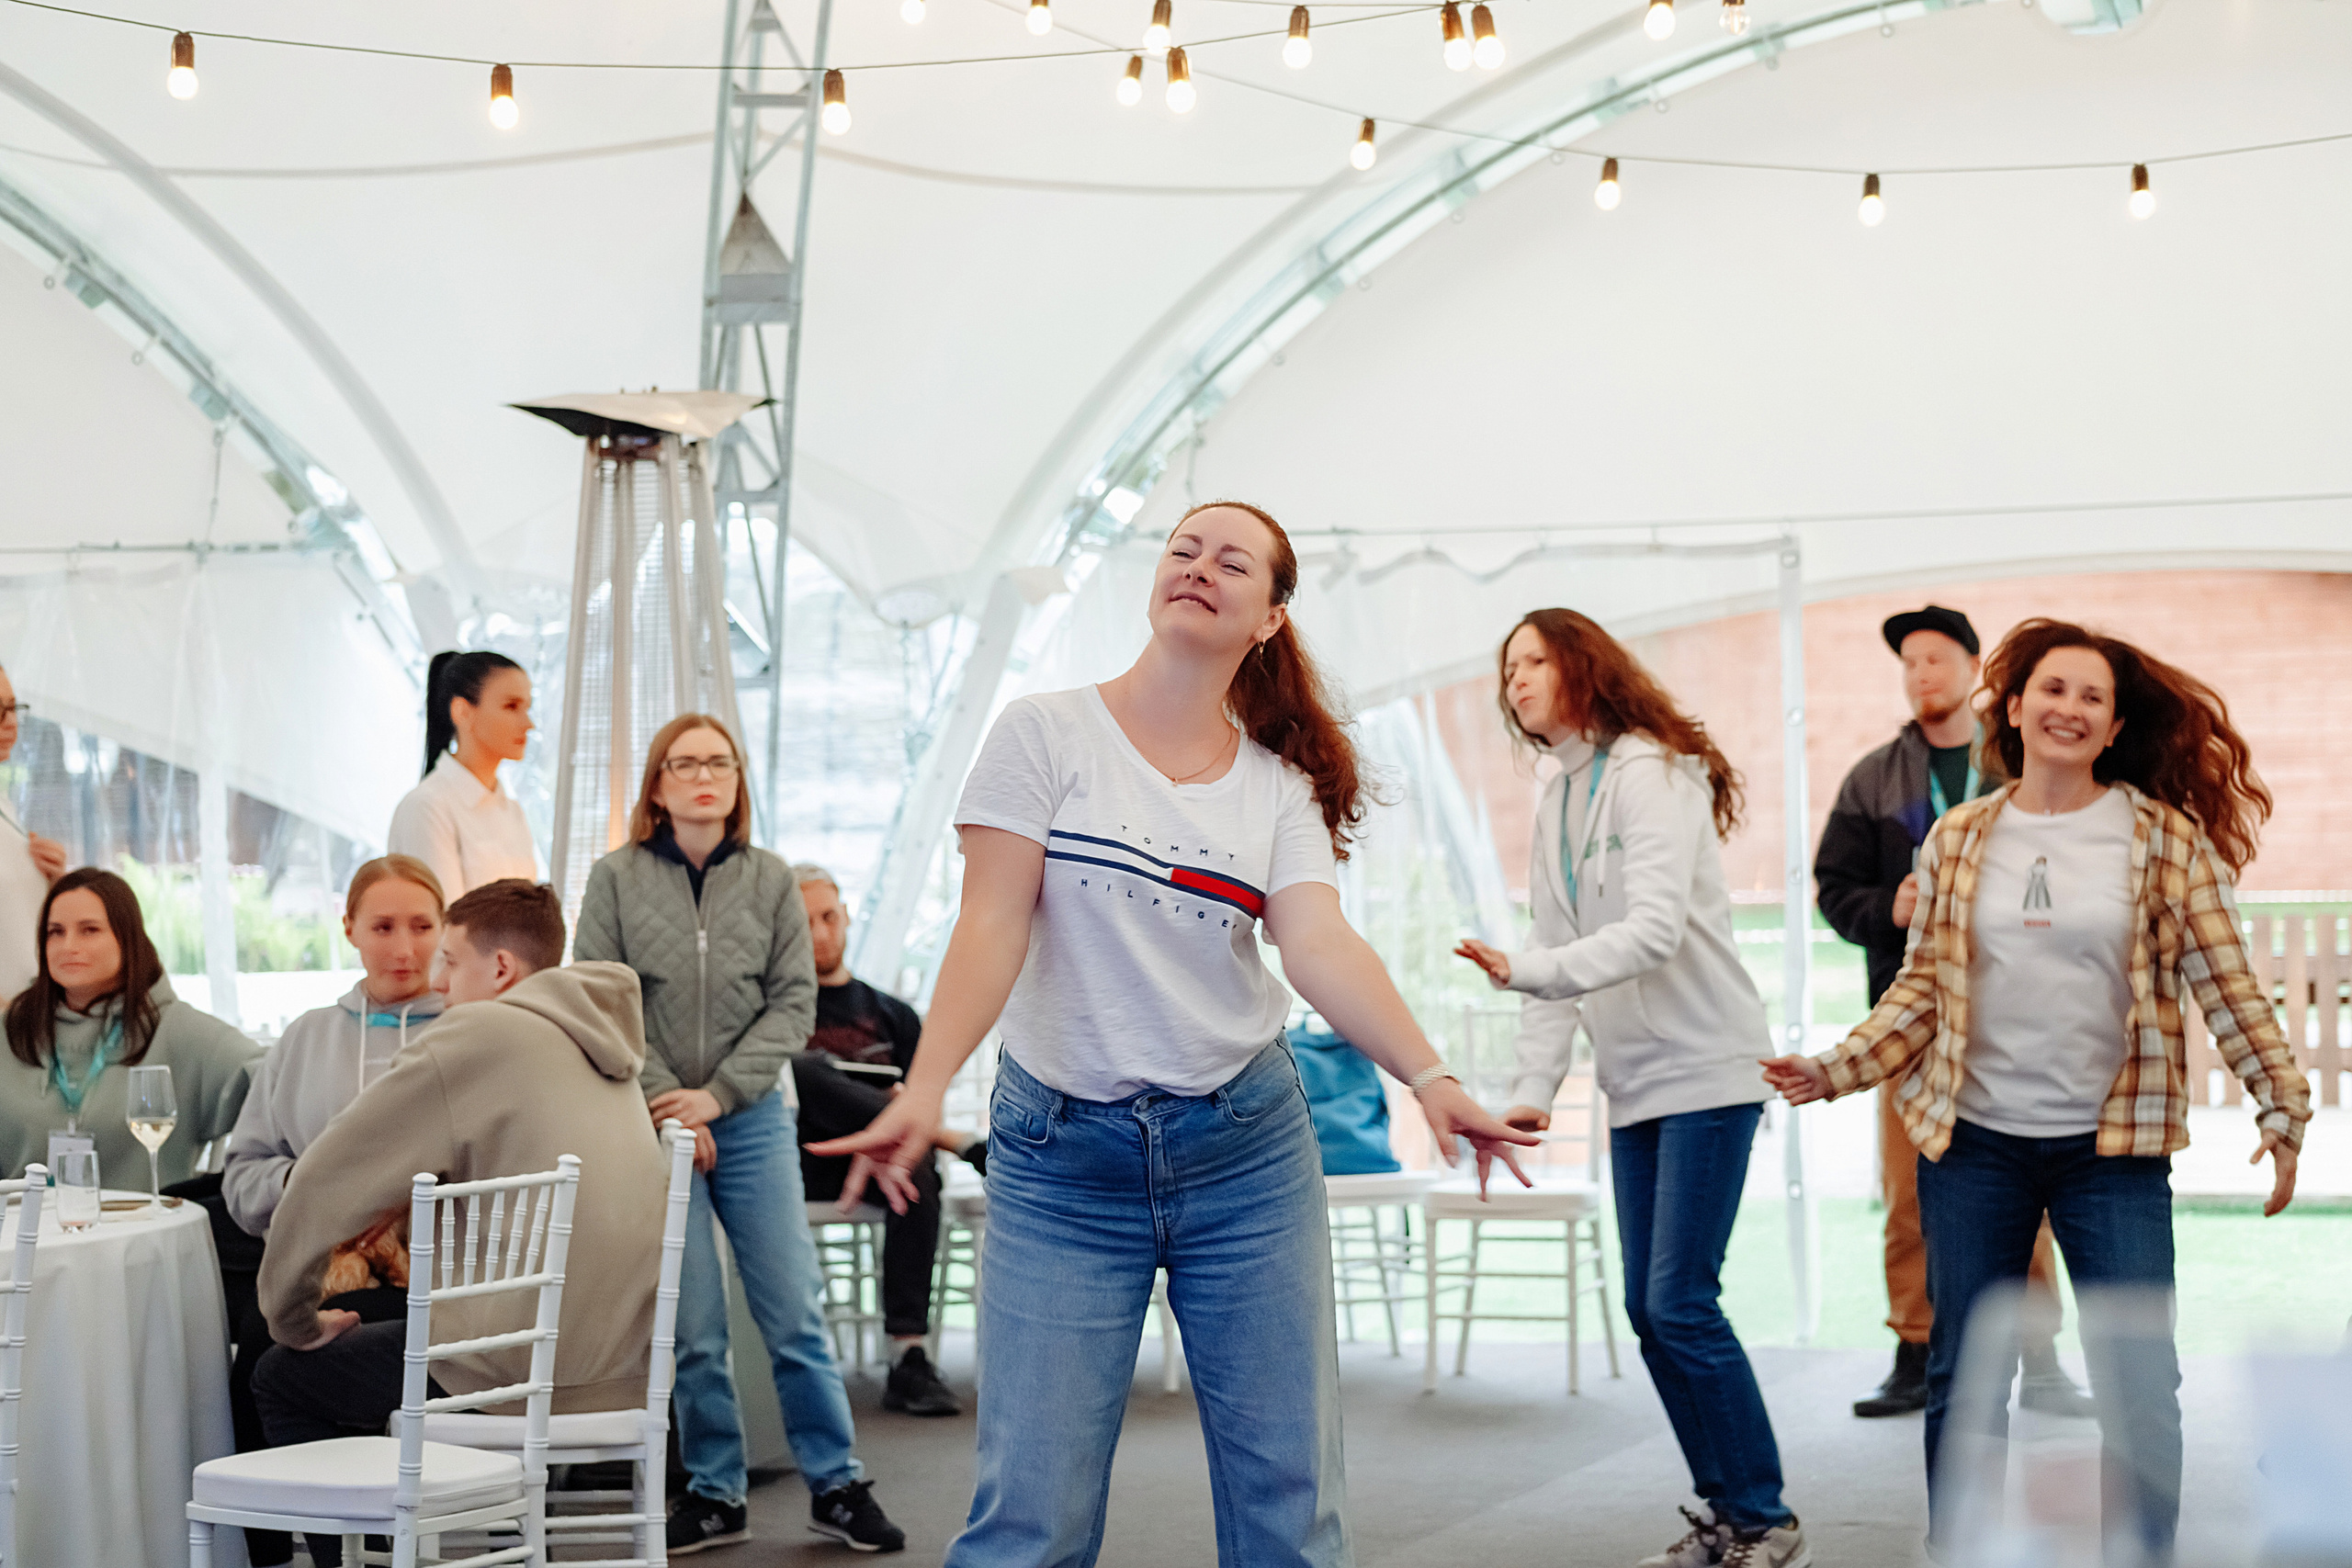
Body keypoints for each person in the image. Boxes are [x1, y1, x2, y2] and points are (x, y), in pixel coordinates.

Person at [813, 501, 1538, 1568]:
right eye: (1182, 549)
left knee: (1288, 1509)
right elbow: (991, 922)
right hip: (1061, 1162)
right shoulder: (1043, 732)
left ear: (1269, 618)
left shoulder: (1278, 786)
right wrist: (922, 1089)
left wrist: (1429, 1077)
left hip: (1243, 1150)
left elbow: (1319, 944)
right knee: (1031, 1518)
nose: (1197, 567)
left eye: (1230, 561)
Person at [1764, 619, 2310, 1562]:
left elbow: (2227, 982)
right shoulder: (1959, 838)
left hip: (2113, 1158)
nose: (2069, 708)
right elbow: (1922, 988)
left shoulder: (2162, 840)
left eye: (2091, 698)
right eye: (2052, 690)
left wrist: (2282, 1106)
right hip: (1974, 1149)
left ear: (2110, 728)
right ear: (2013, 708)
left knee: (2139, 1381)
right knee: (1964, 1379)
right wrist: (1833, 1068)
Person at [1454, 608, 1809, 1568]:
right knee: (1651, 1312)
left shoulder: (1653, 772)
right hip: (1637, 1082)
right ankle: (1732, 1516)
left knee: (1681, 1301)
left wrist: (1528, 972)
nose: (1516, 680)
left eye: (1533, 660)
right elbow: (1556, 952)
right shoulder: (1557, 795)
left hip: (1708, 1067)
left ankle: (1766, 1520)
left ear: (1583, 667)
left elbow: (1647, 933)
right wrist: (1533, 1087)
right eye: (1507, 665)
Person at [253, 879, 667, 1568]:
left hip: (515, 1378)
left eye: (450, 960)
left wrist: (294, 1318)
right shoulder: (610, 1045)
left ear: (501, 968)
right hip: (625, 1373)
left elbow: (323, 1180)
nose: (438, 984)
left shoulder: (484, 1029)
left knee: (280, 1374)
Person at [573, 715, 905, 1557]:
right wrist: (669, 1103)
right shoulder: (613, 880)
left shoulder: (769, 881)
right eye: (684, 764)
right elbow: (598, 1003)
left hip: (750, 1118)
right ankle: (717, 1492)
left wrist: (716, 1097)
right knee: (693, 1322)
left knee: (793, 1308)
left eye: (718, 761)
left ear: (736, 781)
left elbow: (794, 1004)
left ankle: (836, 1482)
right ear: (658, 786)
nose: (703, 776)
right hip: (651, 1120)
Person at [1814, 605, 2088, 1422]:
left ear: (1974, 668)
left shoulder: (2019, 764)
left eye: (1936, 659)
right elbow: (1834, 887)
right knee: (1909, 1194)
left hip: (2020, 1019)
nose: (1921, 674)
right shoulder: (1874, 777)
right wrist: (1887, 910)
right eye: (1910, 664)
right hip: (1911, 1022)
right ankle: (1914, 1348)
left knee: (2030, 1195)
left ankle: (2040, 1360)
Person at [213, 854, 447, 1567]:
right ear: (349, 929)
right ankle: (284, 1547)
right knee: (259, 1348)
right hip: (318, 1264)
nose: (403, 947)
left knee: (323, 1359)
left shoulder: (470, 1032)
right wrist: (316, 1191)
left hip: (432, 1269)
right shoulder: (306, 1036)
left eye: (422, 925)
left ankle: (368, 1540)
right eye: (382, 926)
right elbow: (243, 1173)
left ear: (447, 930)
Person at [791, 863, 987, 1419]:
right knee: (800, 1068)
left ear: (847, 915)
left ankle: (909, 1358)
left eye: (829, 916)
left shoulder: (893, 1015)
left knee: (914, 1166)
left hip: (889, 1170)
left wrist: (883, 1142)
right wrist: (870, 1137)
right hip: (808, 1163)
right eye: (805, 922)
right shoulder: (775, 1014)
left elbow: (925, 1101)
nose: (821, 933)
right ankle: (957, 1142)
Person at [0, 866, 256, 1186]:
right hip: (22, 1233)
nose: (68, 946)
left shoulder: (180, 1031)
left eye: (89, 930)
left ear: (128, 938)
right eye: (55, 932)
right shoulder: (10, 1032)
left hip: (145, 1233)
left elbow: (282, 1082)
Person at [387, 649, 538, 899]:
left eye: (527, 708)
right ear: (462, 712)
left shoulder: (511, 811)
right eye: (511, 706)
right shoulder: (428, 807)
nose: (528, 724)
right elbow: (443, 927)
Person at [0, 666, 66, 998]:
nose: (10, 723)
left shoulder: (5, 805)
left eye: (12, 708)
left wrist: (54, 882)